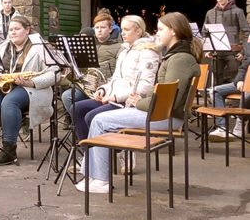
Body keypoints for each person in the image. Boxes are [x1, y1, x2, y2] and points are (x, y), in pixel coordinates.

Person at [77, 12, 202, 194]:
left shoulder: (180, 59)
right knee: (98, 118)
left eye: (161, 29)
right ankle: (94, 175)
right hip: (160, 112)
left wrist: (139, 102)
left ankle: (100, 179)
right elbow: (160, 91)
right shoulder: (175, 57)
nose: (157, 33)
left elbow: (169, 101)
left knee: (99, 120)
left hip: (165, 117)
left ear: (173, 31)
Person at [0, 16, 58, 166]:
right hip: (4, 86)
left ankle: (9, 150)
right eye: (11, 30)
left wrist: (31, 82)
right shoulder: (1, 46)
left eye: (17, 29)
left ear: (27, 30)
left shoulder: (40, 47)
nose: (13, 32)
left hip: (30, 88)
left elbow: (55, 73)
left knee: (9, 102)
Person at [72, 15, 161, 142]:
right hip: (113, 96)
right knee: (77, 108)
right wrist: (103, 89)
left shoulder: (147, 51)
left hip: (127, 101)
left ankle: (103, 153)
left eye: (127, 30)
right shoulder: (125, 50)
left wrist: (115, 97)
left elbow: (145, 86)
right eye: (122, 29)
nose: (122, 33)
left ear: (138, 31)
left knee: (91, 116)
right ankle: (89, 154)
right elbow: (115, 78)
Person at [62, 12, 122, 120]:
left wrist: (107, 84)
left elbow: (119, 70)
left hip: (105, 86)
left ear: (110, 29)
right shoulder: (88, 45)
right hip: (87, 86)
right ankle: (79, 124)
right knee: (67, 96)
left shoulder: (119, 47)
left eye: (103, 27)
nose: (99, 30)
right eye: (97, 27)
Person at [202, 0, 250, 85]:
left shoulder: (238, 12)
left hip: (233, 53)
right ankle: (217, 99)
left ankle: (235, 101)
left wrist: (243, 52)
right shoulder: (210, 13)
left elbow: (246, 32)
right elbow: (204, 33)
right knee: (217, 78)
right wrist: (207, 49)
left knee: (235, 78)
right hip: (217, 53)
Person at [209, 45, 250, 141]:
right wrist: (240, 79)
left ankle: (240, 123)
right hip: (245, 79)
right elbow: (244, 66)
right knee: (215, 91)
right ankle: (222, 127)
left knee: (246, 95)